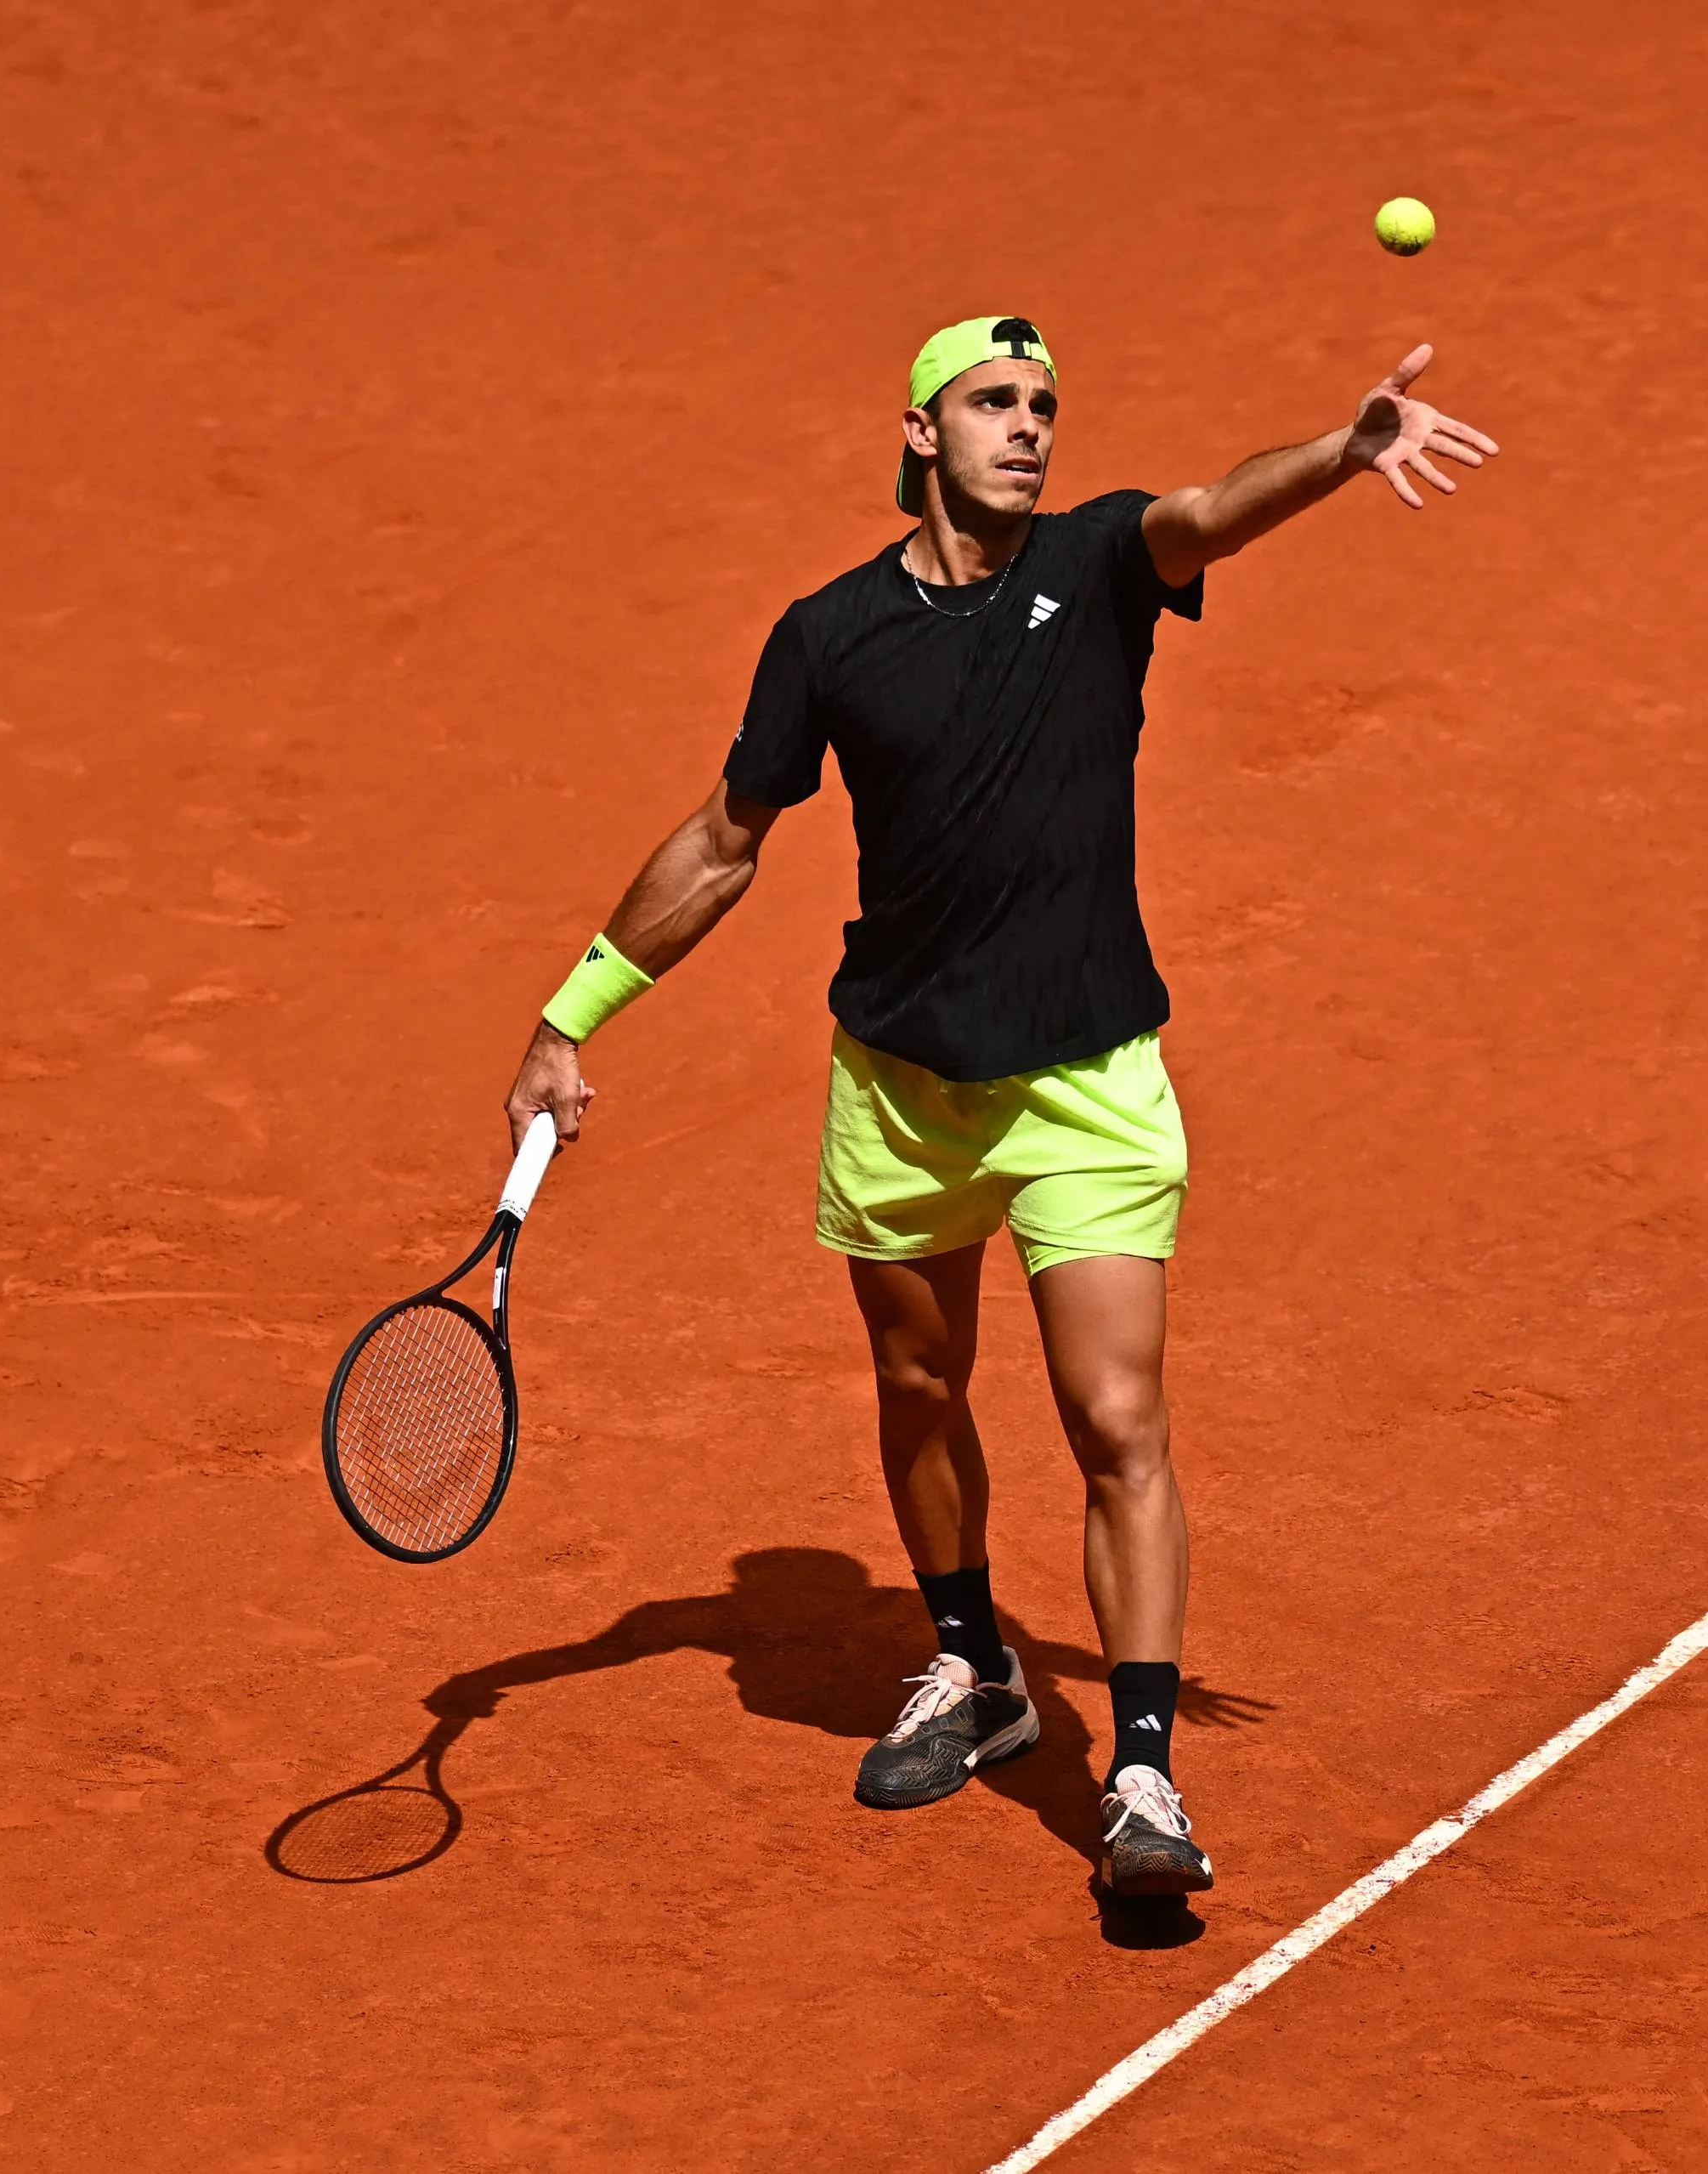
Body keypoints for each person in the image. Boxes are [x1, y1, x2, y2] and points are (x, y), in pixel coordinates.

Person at [502, 314, 1496, 1896]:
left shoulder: (1104, 566)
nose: (1027, 426)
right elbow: (723, 840)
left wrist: (1344, 450)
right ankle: (976, 1671)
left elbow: (1210, 507)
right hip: (898, 1093)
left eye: (1044, 404)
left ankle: (1148, 1780)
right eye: (993, 402)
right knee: (918, 1388)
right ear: (920, 432)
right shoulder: (829, 634)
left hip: (1086, 1087)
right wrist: (571, 1016)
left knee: (1115, 1419)